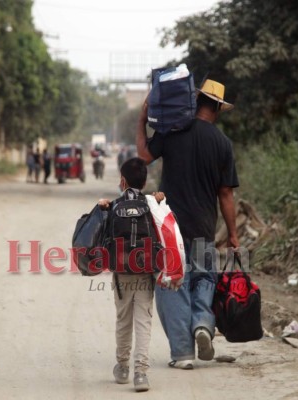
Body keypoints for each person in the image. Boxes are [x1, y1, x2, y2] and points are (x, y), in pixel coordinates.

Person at [136, 79, 240, 369]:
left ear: (196, 100)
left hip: (171, 229)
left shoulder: (173, 130)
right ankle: (203, 324)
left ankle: (183, 353)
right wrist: (233, 234)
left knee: (172, 284)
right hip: (204, 227)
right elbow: (226, 194)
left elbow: (144, 156)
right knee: (205, 279)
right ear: (218, 108)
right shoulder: (223, 143)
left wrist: (143, 119)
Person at [98, 157, 165, 392]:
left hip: (121, 272)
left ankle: (123, 367)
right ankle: (141, 373)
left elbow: (102, 235)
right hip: (146, 271)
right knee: (143, 320)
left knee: (123, 320)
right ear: (145, 182)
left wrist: (102, 206)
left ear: (122, 181)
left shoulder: (114, 205)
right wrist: (159, 200)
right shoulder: (152, 204)